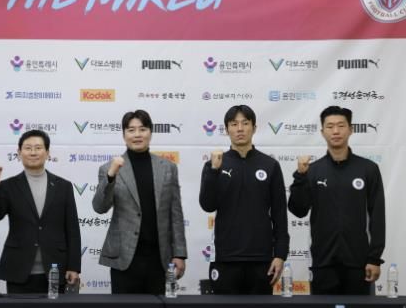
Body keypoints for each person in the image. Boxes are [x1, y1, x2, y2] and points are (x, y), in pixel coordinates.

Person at [288, 106, 385, 295]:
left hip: (358, 263)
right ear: (322, 132)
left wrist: (374, 258)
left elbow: (378, 215)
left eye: (341, 125)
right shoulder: (313, 170)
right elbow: (298, 210)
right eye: (330, 126)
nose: (335, 131)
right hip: (323, 262)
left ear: (351, 129)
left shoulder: (368, 169)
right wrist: (300, 177)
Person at [92, 110, 187, 294]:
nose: (137, 135)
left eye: (142, 129)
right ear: (124, 135)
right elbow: (100, 207)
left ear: (150, 132)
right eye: (131, 130)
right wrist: (111, 176)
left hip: (160, 258)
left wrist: (179, 253)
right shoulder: (109, 168)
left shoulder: (168, 168)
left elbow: (175, 214)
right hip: (124, 259)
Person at [199, 105, 289, 294]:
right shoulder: (214, 164)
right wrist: (214, 171)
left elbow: (280, 214)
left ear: (254, 128)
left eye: (245, 123)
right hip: (226, 258)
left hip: (262, 259)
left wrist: (280, 254)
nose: (240, 129)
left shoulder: (270, 165)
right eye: (234, 124)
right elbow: (207, 205)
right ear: (227, 129)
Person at [0, 130, 81, 294]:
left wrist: (74, 266)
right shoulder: (8, 186)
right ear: (19, 153)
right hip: (18, 269)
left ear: (47, 153)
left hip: (55, 268)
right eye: (28, 148)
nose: (33, 152)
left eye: (38, 148)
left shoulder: (63, 186)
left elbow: (72, 229)